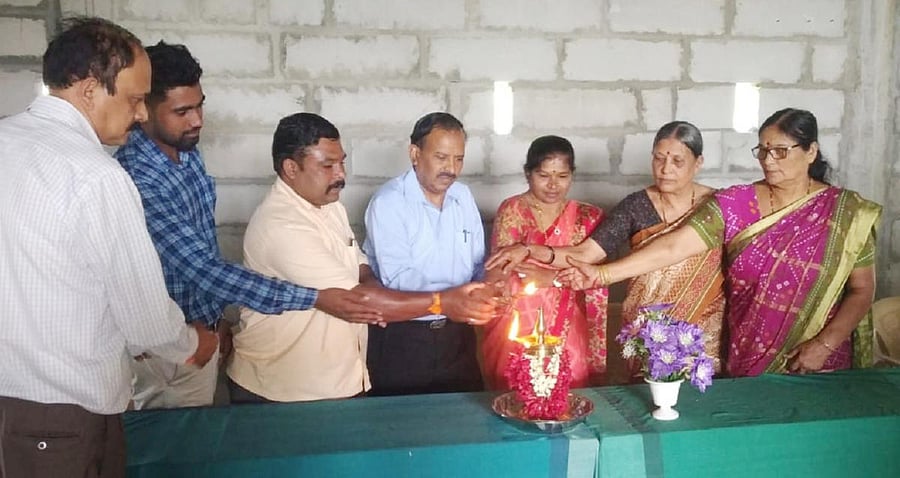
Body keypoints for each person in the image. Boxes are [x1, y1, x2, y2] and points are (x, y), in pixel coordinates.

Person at [0, 18, 216, 478]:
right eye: (136, 99)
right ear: (89, 89)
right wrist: (195, 343)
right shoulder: (98, 176)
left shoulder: (5, 140)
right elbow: (146, 320)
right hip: (65, 414)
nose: (140, 115)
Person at [115, 42, 380, 409]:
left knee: (198, 452)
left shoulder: (187, 153)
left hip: (202, 336)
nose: (197, 121)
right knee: (161, 458)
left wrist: (216, 320)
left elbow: (203, 246)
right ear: (143, 109)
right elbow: (201, 268)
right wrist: (313, 297)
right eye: (182, 111)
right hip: (162, 351)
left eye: (199, 105)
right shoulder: (138, 178)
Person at [559, 108, 881, 377]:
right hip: (747, 363)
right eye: (763, 150)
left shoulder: (845, 215)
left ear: (810, 151)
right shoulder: (735, 203)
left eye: (780, 151)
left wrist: (824, 345)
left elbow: (862, 289)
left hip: (818, 365)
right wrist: (601, 275)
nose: (768, 160)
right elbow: (673, 247)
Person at [227, 113, 495, 403]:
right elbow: (359, 303)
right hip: (285, 387)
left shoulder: (327, 206)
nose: (340, 174)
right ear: (291, 168)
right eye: (327, 165)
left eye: (341, 162)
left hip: (335, 377)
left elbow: (359, 263)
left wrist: (374, 290)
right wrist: (444, 301)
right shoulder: (283, 226)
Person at [487, 121, 726, 377]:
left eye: (677, 161)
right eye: (659, 159)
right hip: (648, 331)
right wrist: (529, 250)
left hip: (703, 328)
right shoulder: (636, 206)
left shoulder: (719, 206)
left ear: (698, 163)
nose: (666, 169)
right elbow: (585, 255)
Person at [363, 112, 493, 396]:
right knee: (403, 427)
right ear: (414, 153)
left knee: (462, 421)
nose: (452, 168)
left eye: (459, 158)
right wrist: (452, 300)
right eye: (442, 157)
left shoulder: (463, 196)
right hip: (404, 337)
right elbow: (398, 279)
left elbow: (477, 264)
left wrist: (492, 287)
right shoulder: (389, 202)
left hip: (457, 335)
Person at [480, 135, 608, 389]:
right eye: (544, 175)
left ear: (572, 174)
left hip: (569, 322)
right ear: (528, 174)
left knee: (567, 391)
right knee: (517, 391)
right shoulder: (513, 210)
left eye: (562, 176)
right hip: (518, 320)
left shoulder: (588, 217)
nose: (553, 185)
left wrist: (551, 278)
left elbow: (598, 274)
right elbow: (501, 268)